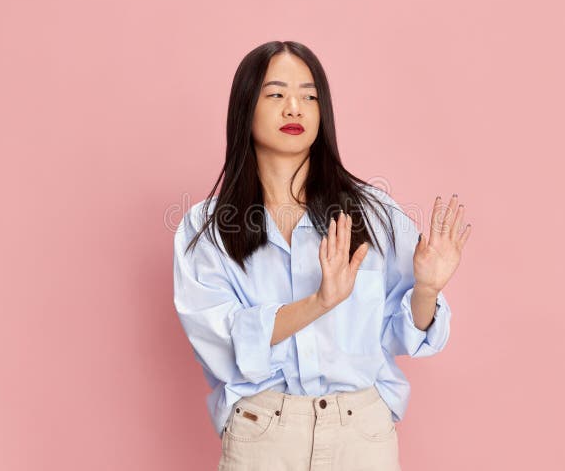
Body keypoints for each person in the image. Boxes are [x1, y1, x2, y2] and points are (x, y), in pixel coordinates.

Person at [173, 40, 472, 470]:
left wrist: (426, 290)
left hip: (361, 435)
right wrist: (318, 304)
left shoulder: (373, 213)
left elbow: (401, 332)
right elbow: (222, 340)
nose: (294, 108)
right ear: (244, 109)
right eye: (276, 94)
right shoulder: (208, 229)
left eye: (309, 96)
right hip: (264, 434)